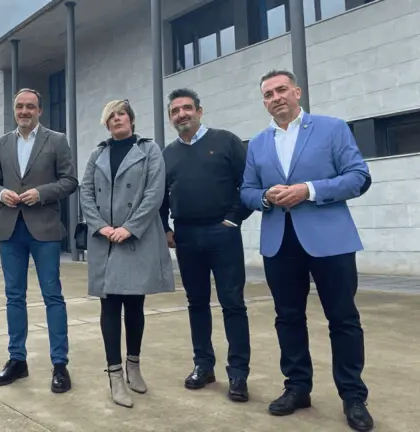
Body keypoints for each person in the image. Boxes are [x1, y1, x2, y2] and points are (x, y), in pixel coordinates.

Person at [241, 69, 373, 432]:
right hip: (280, 242)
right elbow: (247, 190)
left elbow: (359, 176)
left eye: (281, 90)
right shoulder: (257, 143)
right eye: (268, 94)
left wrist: (308, 190)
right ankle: (297, 388)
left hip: (330, 241)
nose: (275, 97)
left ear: (297, 92)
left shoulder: (332, 129)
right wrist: (264, 197)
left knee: (343, 318)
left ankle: (353, 397)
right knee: (288, 318)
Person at [158, 88, 253, 402]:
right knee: (196, 303)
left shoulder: (226, 141)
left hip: (222, 234)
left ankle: (238, 374)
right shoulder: (167, 154)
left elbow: (249, 184)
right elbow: (158, 197)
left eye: (187, 108)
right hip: (185, 237)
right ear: (171, 117)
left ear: (199, 111)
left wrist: (233, 219)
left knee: (232, 303)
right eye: (175, 111)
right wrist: (165, 229)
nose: (181, 114)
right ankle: (203, 365)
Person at [79, 99, 175, 408]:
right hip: (105, 239)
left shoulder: (149, 150)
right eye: (111, 116)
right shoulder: (98, 154)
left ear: (131, 120)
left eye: (121, 114)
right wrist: (102, 227)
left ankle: (134, 366)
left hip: (136, 238)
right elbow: (86, 192)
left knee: (135, 306)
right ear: (106, 124)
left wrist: (130, 227)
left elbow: (154, 193)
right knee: (110, 308)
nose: (117, 119)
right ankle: (115, 376)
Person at [0, 88, 78, 393]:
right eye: (19, 107)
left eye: (30, 107)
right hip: (11, 229)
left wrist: (42, 193)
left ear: (39, 111)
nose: (24, 111)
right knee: (14, 297)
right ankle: (17, 360)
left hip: (44, 228)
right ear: (15, 110)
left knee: (52, 296)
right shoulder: (1, 143)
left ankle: (60, 365)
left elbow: (69, 181)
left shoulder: (57, 140)